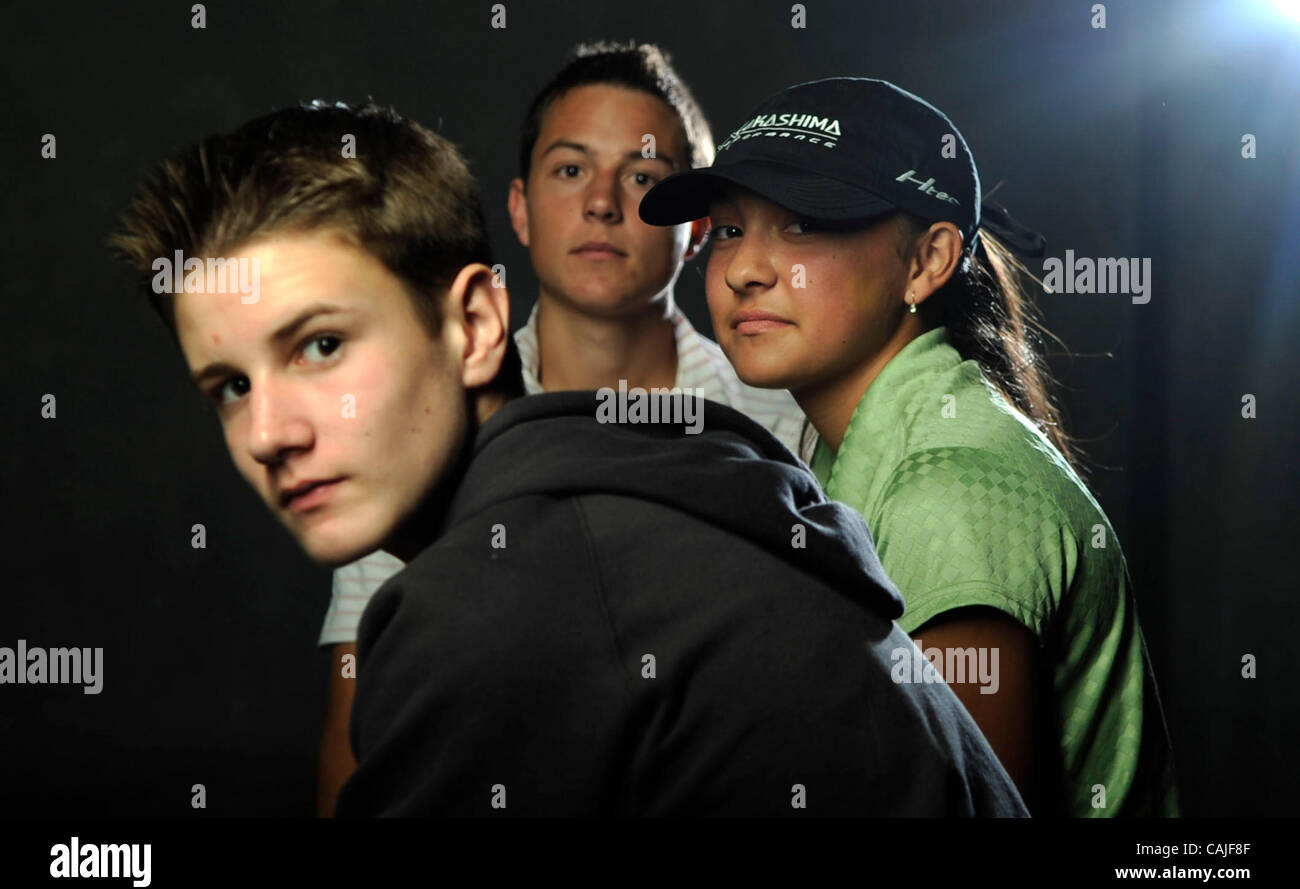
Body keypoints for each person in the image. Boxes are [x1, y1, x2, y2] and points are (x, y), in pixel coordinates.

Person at [108, 100, 1028, 816]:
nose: (269, 431)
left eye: (319, 347)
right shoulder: (628, 489)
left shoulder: (499, 594)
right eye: (230, 385)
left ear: (473, 325)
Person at [640, 77, 1179, 817]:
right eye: (729, 228)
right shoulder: (872, 447)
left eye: (802, 223)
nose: (742, 269)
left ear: (926, 260)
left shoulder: (946, 489)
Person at [315, 42, 809, 815]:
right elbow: (356, 736)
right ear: (519, 207)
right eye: (571, 169)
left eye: (645, 177)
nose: (604, 203)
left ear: (698, 226)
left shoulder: (785, 420)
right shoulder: (426, 424)